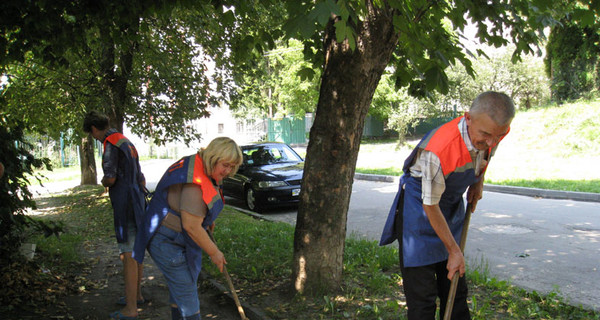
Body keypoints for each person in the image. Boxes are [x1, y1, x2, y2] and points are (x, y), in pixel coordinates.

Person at [379, 91, 515, 320]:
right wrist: (454, 250)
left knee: (455, 290)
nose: (491, 142)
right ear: (468, 118)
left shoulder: (493, 132)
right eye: (486, 135)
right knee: (423, 300)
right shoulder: (439, 149)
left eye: (498, 136)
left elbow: (486, 154)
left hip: (450, 207)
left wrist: (477, 181)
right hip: (420, 212)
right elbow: (430, 205)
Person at [133, 137, 242, 320]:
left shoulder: (202, 167)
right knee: (187, 295)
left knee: (181, 291)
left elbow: (198, 210)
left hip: (175, 237)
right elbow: (191, 226)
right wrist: (214, 252)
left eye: (232, 167)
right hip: (165, 240)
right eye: (225, 165)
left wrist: (207, 219)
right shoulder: (195, 181)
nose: (228, 171)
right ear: (213, 158)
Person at [83, 111, 147, 320]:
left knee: (127, 254)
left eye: (91, 133)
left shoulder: (110, 144)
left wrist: (103, 183)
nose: (93, 137)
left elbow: (110, 179)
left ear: (94, 129)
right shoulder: (125, 141)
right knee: (137, 250)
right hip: (137, 201)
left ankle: (130, 310)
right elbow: (141, 178)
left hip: (124, 203)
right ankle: (137, 296)